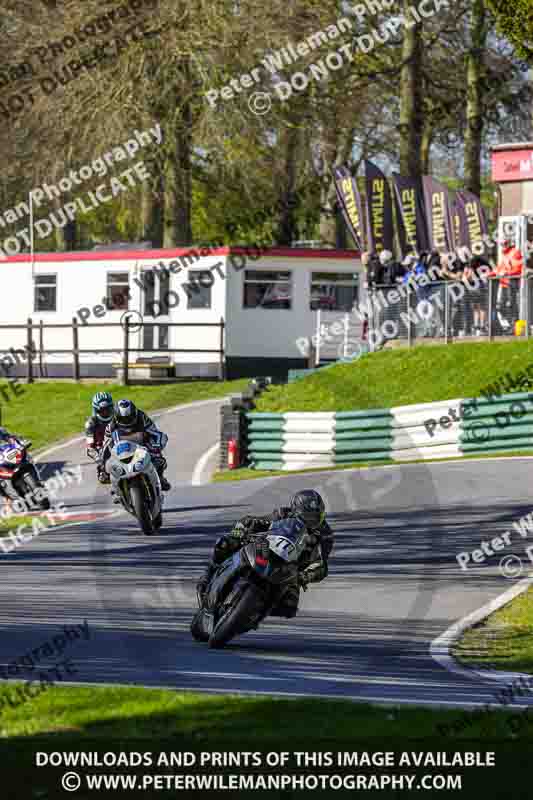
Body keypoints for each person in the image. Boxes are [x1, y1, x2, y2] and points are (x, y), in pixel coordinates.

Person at [196, 489, 334, 619]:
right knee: (225, 544)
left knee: (289, 606)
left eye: (317, 516)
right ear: (296, 510)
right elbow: (254, 521)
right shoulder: (283, 514)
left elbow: (322, 565)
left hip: (291, 570)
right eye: (308, 516)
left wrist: (306, 576)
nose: (312, 521)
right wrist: (241, 529)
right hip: (267, 551)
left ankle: (251, 617)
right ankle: (207, 577)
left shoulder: (325, 535)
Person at [100, 399, 171, 497]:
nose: (127, 421)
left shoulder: (142, 418)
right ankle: (117, 489)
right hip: (121, 451)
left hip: (142, 447)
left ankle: (160, 477)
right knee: (109, 466)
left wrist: (156, 446)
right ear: (116, 417)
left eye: (130, 417)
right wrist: (103, 465)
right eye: (123, 419)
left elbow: (156, 433)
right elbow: (105, 446)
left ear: (135, 413)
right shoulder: (110, 426)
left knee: (159, 460)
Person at [85, 391, 114, 483]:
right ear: (96, 409)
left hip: (120, 443)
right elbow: (90, 447)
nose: (105, 412)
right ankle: (102, 468)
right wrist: (99, 459)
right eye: (102, 410)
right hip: (103, 449)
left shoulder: (118, 417)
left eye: (107, 409)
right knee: (104, 478)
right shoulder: (90, 423)